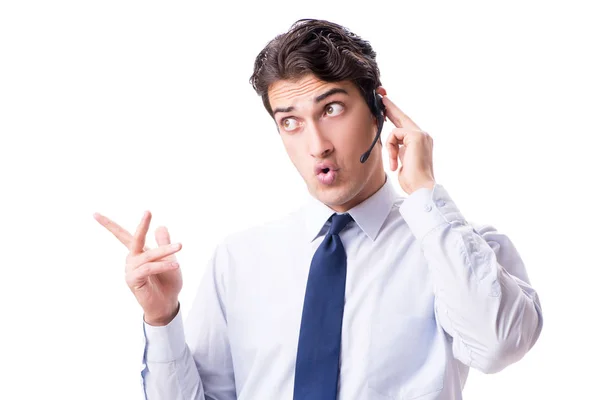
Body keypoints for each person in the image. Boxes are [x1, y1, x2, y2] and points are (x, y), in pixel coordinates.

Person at [94, 18, 543, 400]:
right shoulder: (239, 259)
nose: (317, 146)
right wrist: (161, 318)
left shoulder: (455, 247)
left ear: (378, 112)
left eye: (331, 109)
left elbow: (498, 346)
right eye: (290, 121)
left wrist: (425, 193)